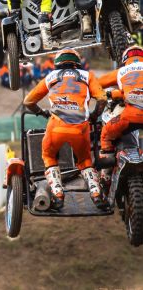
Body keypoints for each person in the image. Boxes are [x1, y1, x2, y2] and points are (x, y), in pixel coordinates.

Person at [24, 48, 107, 209]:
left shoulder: (50, 76)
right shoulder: (87, 76)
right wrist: (94, 115)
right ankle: (96, 194)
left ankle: (58, 195)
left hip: (56, 126)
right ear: (77, 62)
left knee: (49, 156)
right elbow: (102, 99)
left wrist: (41, 112)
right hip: (80, 127)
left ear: (57, 62)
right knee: (85, 161)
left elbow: (28, 102)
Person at [98, 45, 143, 156]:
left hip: (131, 116)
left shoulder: (121, 71)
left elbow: (96, 84)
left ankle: (107, 157)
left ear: (125, 59)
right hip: (133, 114)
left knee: (105, 134)